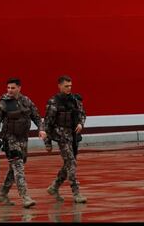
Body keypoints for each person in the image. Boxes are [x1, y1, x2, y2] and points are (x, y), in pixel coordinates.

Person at [0, 77, 47, 208]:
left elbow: (37, 117)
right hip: (10, 139)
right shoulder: (3, 104)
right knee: (18, 167)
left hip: (23, 139)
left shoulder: (26, 101)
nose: (10, 90)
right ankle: (25, 197)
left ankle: (2, 193)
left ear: (19, 88)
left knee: (15, 167)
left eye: (13, 88)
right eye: (8, 88)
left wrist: (41, 130)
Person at [44, 75, 88, 203]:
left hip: (74, 136)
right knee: (72, 163)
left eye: (70, 86)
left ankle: (54, 187)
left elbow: (82, 114)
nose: (69, 88)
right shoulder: (53, 102)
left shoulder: (75, 100)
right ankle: (76, 194)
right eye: (66, 86)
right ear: (59, 86)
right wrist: (47, 143)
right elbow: (47, 123)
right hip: (62, 136)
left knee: (68, 163)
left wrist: (81, 124)